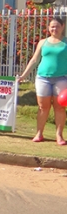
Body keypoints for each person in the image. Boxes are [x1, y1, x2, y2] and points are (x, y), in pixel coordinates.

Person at [18, 17, 67, 145]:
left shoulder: (66, 42)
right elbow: (34, 60)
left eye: (57, 26)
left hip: (61, 78)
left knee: (60, 107)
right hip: (42, 78)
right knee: (42, 107)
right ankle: (39, 133)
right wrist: (23, 76)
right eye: (52, 26)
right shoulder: (43, 42)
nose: (54, 29)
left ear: (63, 27)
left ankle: (59, 136)